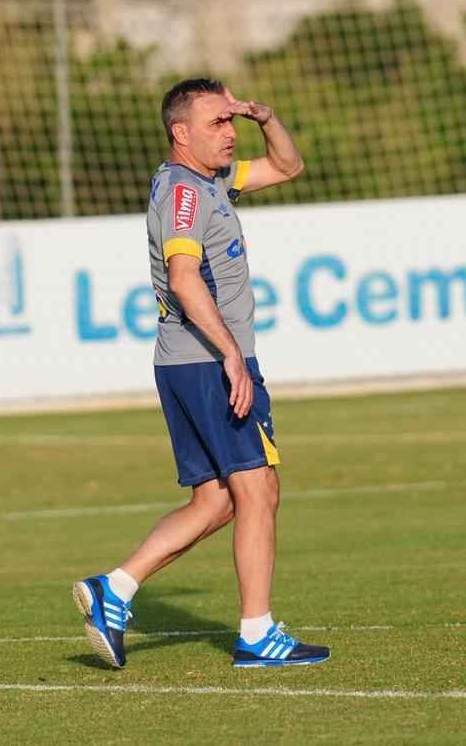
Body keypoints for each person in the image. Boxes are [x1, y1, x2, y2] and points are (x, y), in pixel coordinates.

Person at [72, 78, 329, 669]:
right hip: (209, 361)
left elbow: (289, 167)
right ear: (180, 133)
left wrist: (266, 116)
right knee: (259, 489)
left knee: (217, 501)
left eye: (231, 122)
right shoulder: (186, 195)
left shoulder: (210, 181)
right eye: (216, 123)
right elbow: (185, 279)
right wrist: (232, 354)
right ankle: (257, 634)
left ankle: (117, 588)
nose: (229, 133)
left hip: (190, 362)